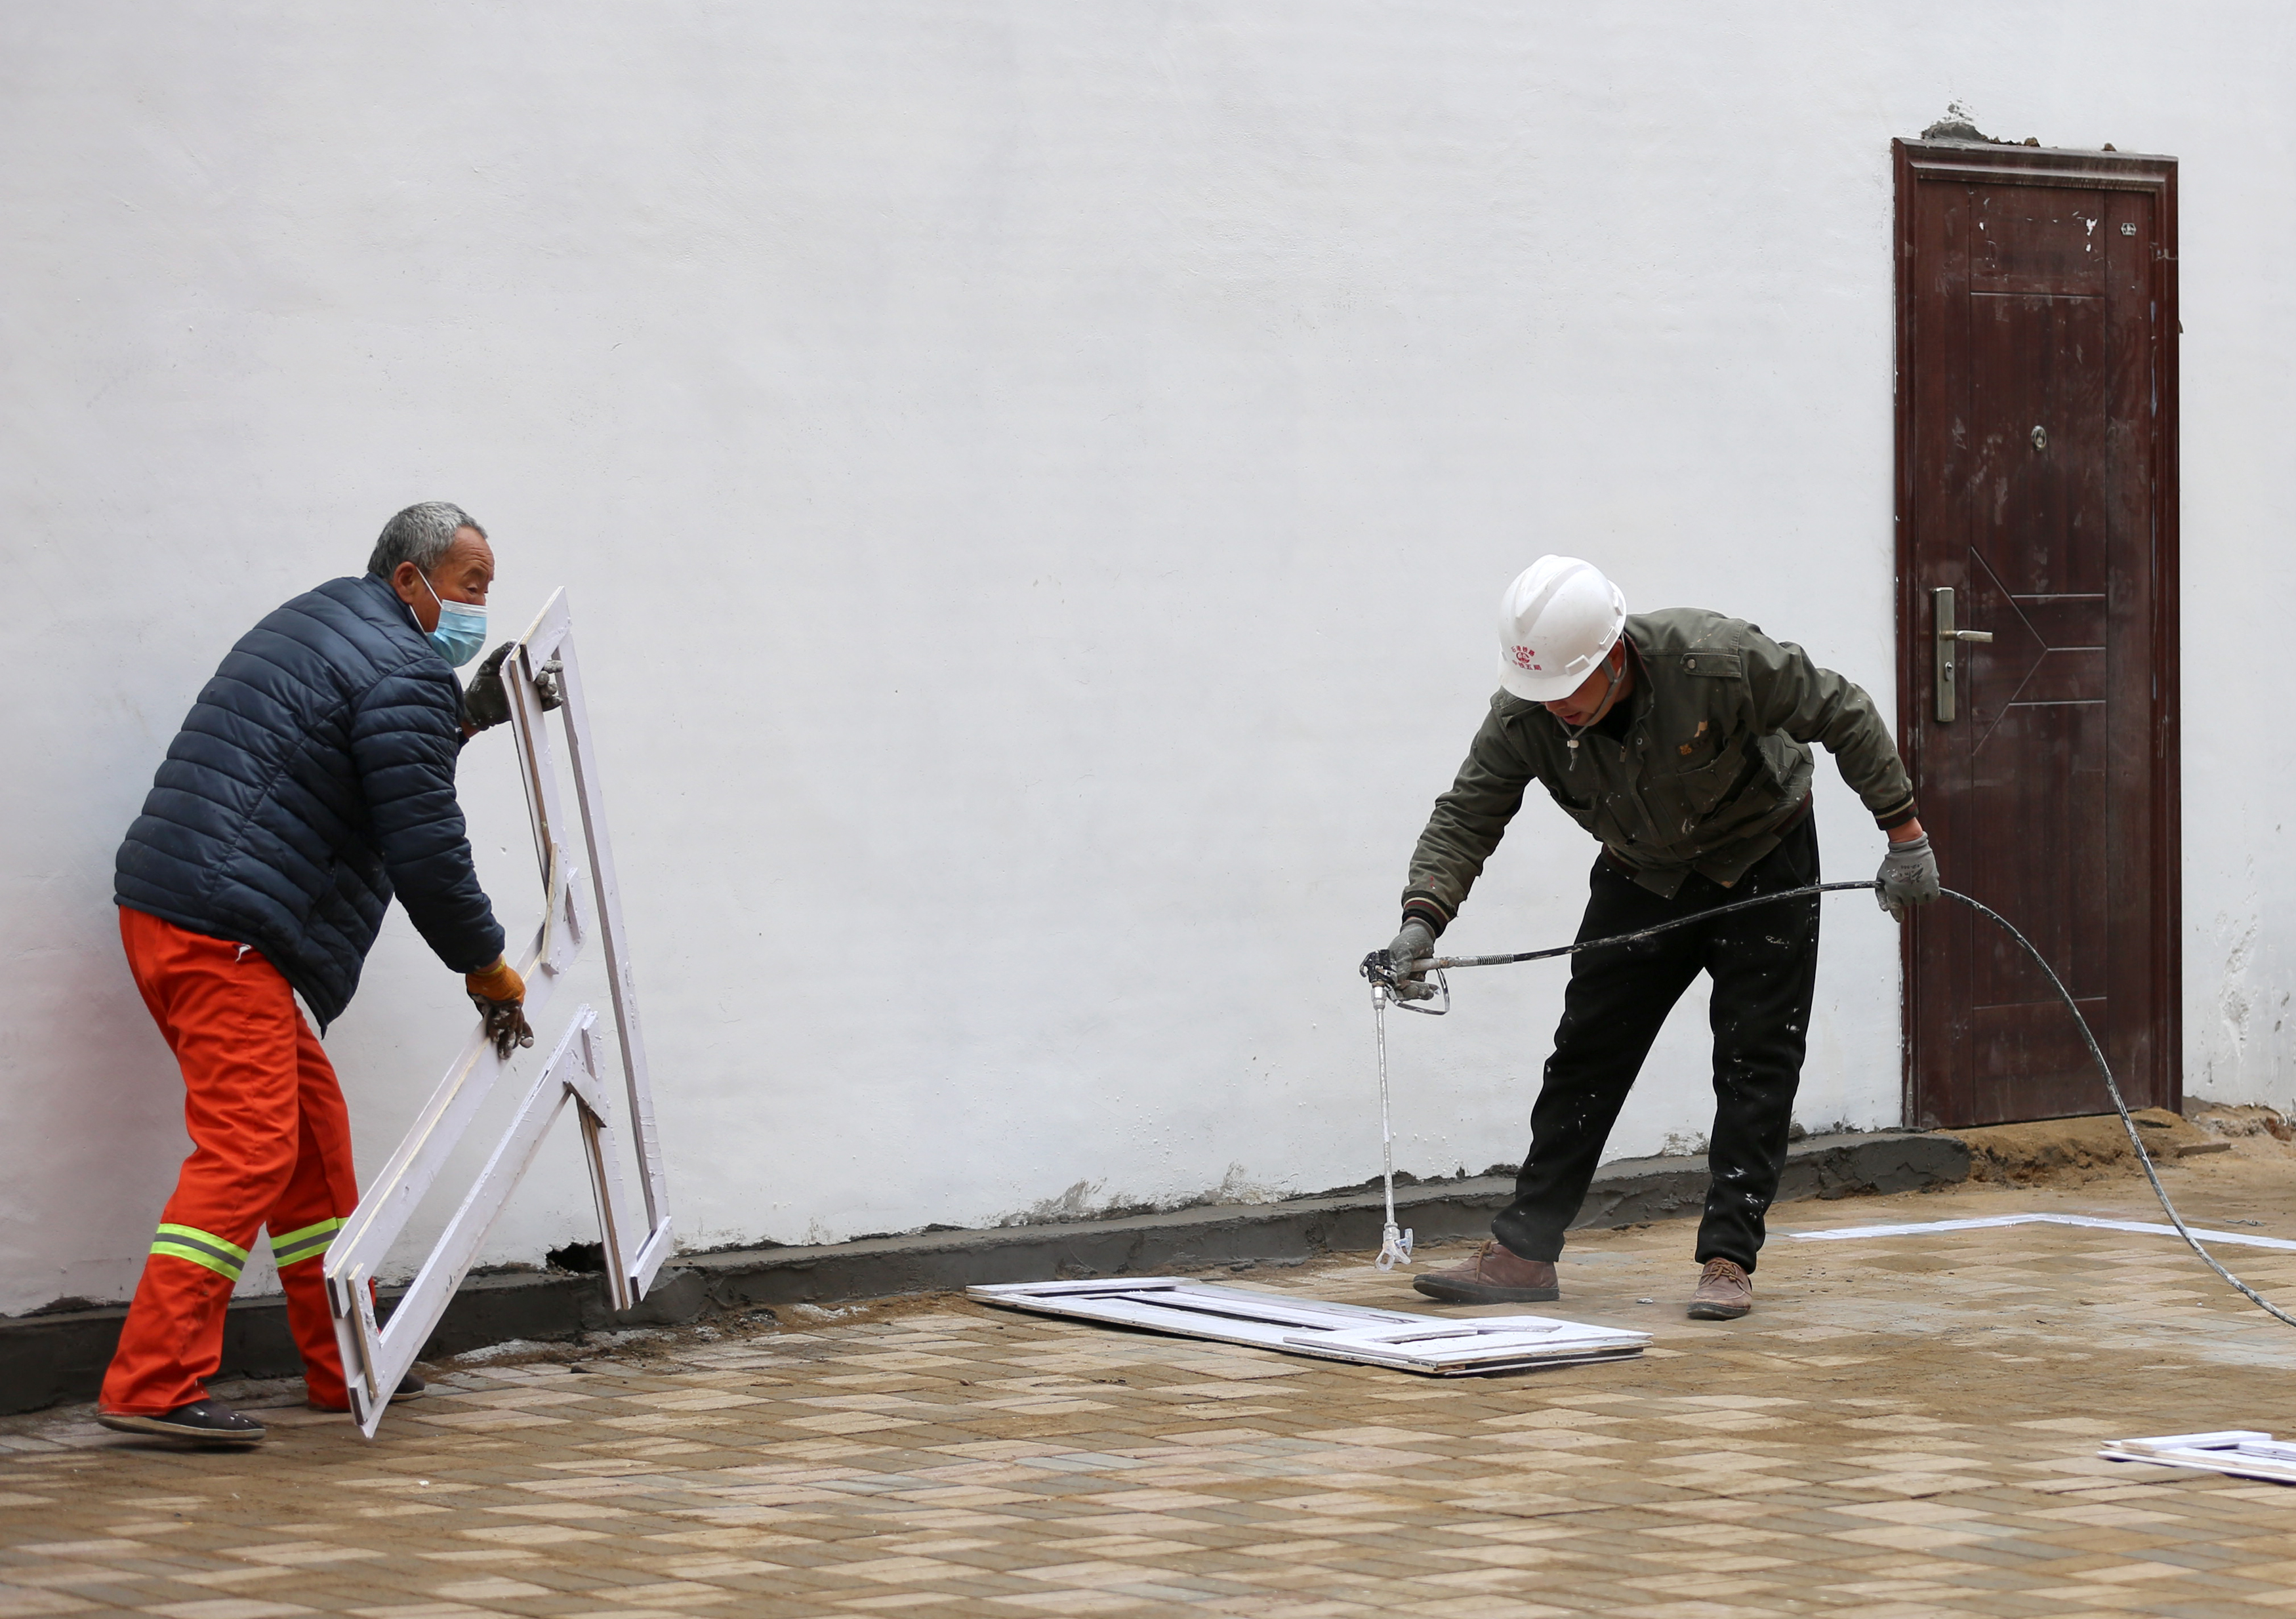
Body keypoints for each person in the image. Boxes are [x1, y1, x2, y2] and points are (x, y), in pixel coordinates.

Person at [1378, 556, 1938, 1321]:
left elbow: (1842, 708)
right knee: (1585, 1055)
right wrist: (1421, 921)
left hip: (1762, 856)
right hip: (1639, 872)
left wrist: (1903, 834)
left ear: (1614, 655)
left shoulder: (1715, 660)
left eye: (1569, 688)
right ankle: (1522, 1251)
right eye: (1541, 693)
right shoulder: (1525, 711)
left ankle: (1727, 1257)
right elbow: (1467, 814)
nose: (1556, 707)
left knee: (1756, 1056)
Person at [99, 501, 540, 1445]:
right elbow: (426, 849)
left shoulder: (332, 618)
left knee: (310, 1144)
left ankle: (344, 1360)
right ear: (409, 580)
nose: (479, 608)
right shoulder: (401, 666)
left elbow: (366, 755)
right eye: (470, 586)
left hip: (187, 909)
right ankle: (152, 1380)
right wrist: (487, 966)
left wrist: (462, 717)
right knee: (251, 1146)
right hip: (224, 930)